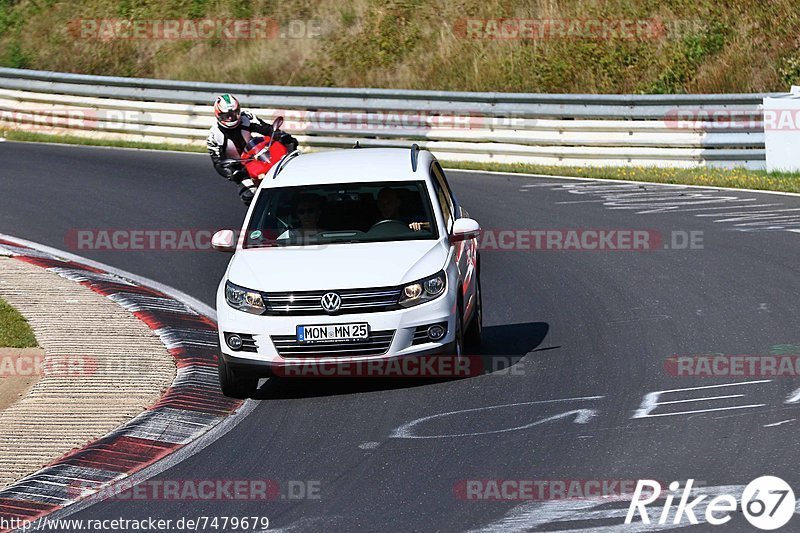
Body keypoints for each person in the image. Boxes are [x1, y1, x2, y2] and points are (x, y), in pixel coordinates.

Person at [206, 94, 298, 205]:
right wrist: (232, 173)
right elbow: (218, 163)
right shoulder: (214, 136)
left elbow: (267, 129)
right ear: (218, 115)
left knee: (290, 143)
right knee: (249, 195)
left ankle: (297, 165)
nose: (231, 118)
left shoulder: (247, 118)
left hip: (258, 155)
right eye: (226, 116)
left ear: (239, 111)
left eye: (234, 114)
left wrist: (281, 136)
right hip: (241, 168)